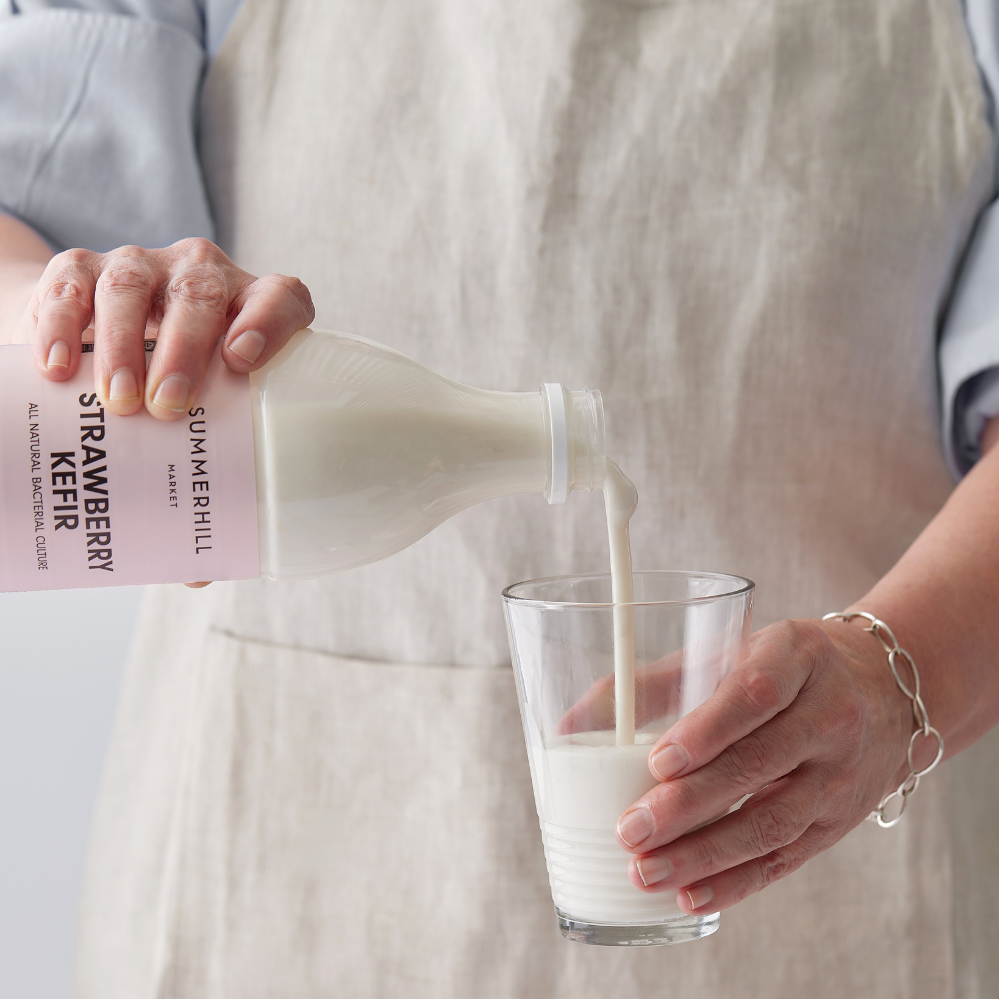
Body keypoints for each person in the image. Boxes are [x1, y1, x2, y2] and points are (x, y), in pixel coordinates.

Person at [2, 0, 999, 996]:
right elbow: (25, 210)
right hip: (280, 872)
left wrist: (895, 674)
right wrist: (81, 309)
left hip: (821, 903)